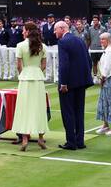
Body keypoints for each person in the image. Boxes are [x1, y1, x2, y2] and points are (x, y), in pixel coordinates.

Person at [55, 20, 93, 151]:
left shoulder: (63, 42)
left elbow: (64, 64)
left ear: (61, 28)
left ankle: (71, 141)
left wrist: (64, 83)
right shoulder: (80, 40)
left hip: (69, 84)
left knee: (68, 112)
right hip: (81, 82)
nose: (54, 32)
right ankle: (79, 141)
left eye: (56, 30)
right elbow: (89, 60)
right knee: (79, 112)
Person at [12, 22, 48, 151]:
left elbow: (18, 65)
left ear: (28, 31)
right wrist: (36, 71)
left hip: (26, 78)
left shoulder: (20, 45)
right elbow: (43, 65)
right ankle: (40, 137)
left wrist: (25, 73)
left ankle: (25, 139)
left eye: (24, 30)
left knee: (24, 108)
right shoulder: (43, 46)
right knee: (39, 107)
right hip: (37, 78)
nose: (22, 32)